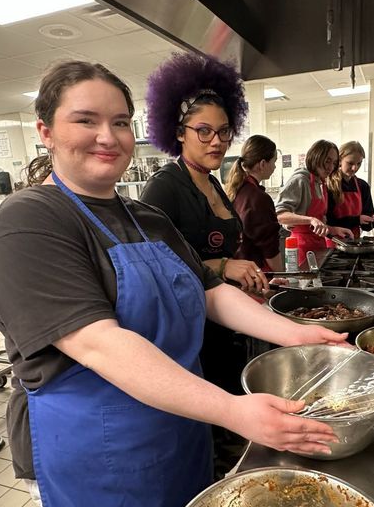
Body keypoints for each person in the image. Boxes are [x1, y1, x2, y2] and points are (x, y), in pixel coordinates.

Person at [0, 60, 346, 507]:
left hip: (178, 432)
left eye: (121, 122)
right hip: (99, 453)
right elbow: (100, 345)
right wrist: (233, 410)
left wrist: (301, 335)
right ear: (46, 131)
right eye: (85, 120)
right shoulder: (30, 221)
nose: (108, 136)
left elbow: (213, 292)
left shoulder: (145, 217)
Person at [140, 53, 267, 400]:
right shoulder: (165, 187)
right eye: (204, 131)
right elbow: (153, 269)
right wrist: (224, 266)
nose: (217, 141)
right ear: (179, 133)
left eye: (224, 131)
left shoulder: (214, 183)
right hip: (189, 333)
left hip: (222, 324)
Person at [276, 140, 354, 262]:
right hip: (301, 249)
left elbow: (318, 225)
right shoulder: (300, 180)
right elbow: (280, 216)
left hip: (318, 246)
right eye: (327, 161)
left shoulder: (321, 183)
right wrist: (311, 220)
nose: (330, 167)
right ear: (316, 157)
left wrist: (334, 230)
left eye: (334, 163)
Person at [225, 135, 283, 272]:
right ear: (262, 164)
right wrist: (283, 275)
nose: (274, 167)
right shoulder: (258, 198)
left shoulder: (237, 190)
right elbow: (270, 249)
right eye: (274, 162)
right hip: (258, 274)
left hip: (240, 270)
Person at [326, 141, 374, 238]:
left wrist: (372, 220)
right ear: (340, 160)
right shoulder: (328, 184)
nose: (355, 168)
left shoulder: (363, 186)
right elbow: (328, 222)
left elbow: (366, 227)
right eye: (350, 163)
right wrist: (356, 220)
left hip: (354, 243)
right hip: (333, 242)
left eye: (359, 163)